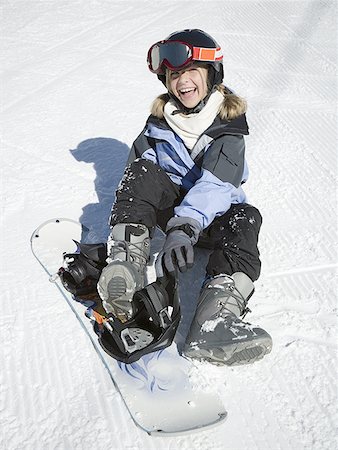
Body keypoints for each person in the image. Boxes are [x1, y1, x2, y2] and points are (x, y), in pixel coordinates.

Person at [97, 29, 272, 365]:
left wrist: (184, 226)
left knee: (246, 218)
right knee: (141, 174)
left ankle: (216, 319)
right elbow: (138, 179)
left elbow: (218, 186)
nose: (182, 82)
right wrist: (152, 221)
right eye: (174, 74)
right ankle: (125, 267)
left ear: (212, 74)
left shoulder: (229, 128)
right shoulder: (158, 125)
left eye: (192, 72)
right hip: (171, 215)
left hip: (209, 219)